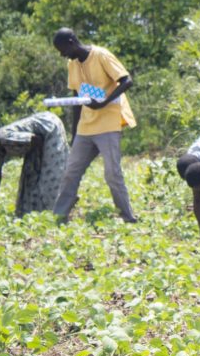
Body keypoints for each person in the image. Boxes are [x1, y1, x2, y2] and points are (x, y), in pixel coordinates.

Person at [51, 28, 137, 224]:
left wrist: (104, 101)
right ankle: (59, 215)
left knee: (112, 173)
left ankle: (127, 217)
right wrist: (74, 132)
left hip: (108, 123)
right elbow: (76, 97)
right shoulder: (72, 64)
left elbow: (126, 81)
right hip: (86, 126)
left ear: (72, 42)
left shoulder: (101, 55)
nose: (62, 54)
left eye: (63, 50)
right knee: (71, 171)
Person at [0, 112, 69, 216]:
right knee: (29, 182)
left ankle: (58, 211)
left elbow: (36, 139)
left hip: (49, 126)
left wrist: (40, 163)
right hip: (36, 143)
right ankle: (38, 213)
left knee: (49, 179)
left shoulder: (4, 137)